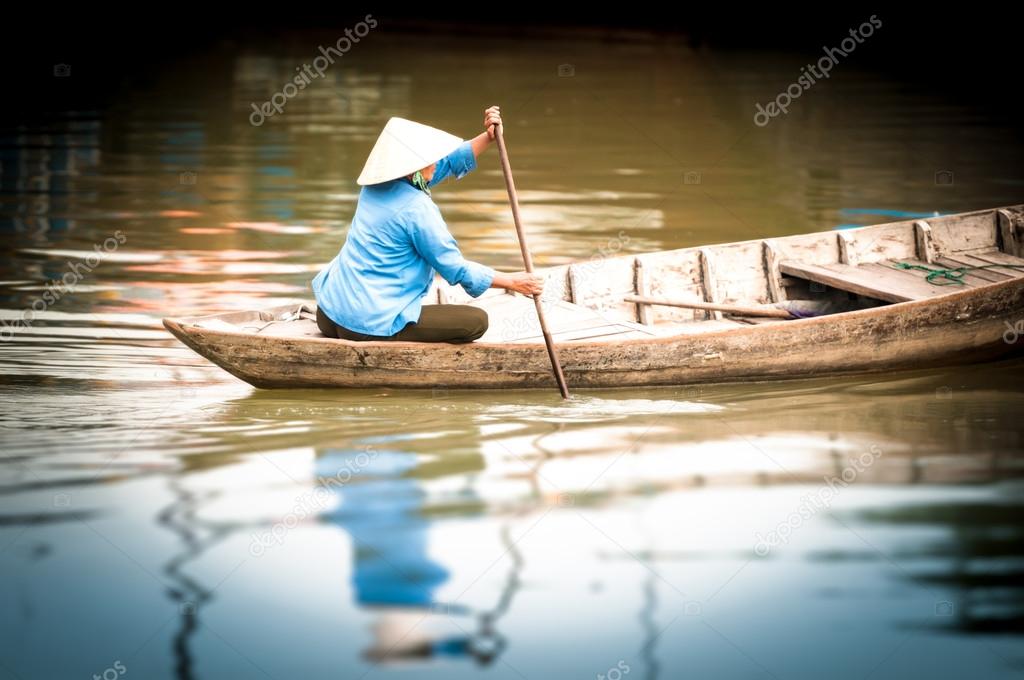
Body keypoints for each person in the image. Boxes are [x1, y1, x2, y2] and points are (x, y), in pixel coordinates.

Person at [313, 106, 543, 343]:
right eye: (429, 160)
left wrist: (488, 137)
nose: (435, 163)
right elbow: (454, 268)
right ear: (413, 171)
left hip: (329, 313)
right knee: (476, 321)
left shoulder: (374, 186)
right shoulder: (417, 208)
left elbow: (442, 165)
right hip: (368, 325)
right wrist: (513, 282)